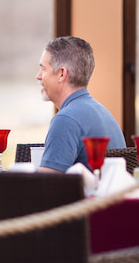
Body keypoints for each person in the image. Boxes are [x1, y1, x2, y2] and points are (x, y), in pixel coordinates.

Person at [35, 36, 126, 173]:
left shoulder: (66, 119)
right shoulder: (104, 114)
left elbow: (45, 187)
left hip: (84, 195)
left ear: (61, 74)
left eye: (43, 69)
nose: (38, 76)